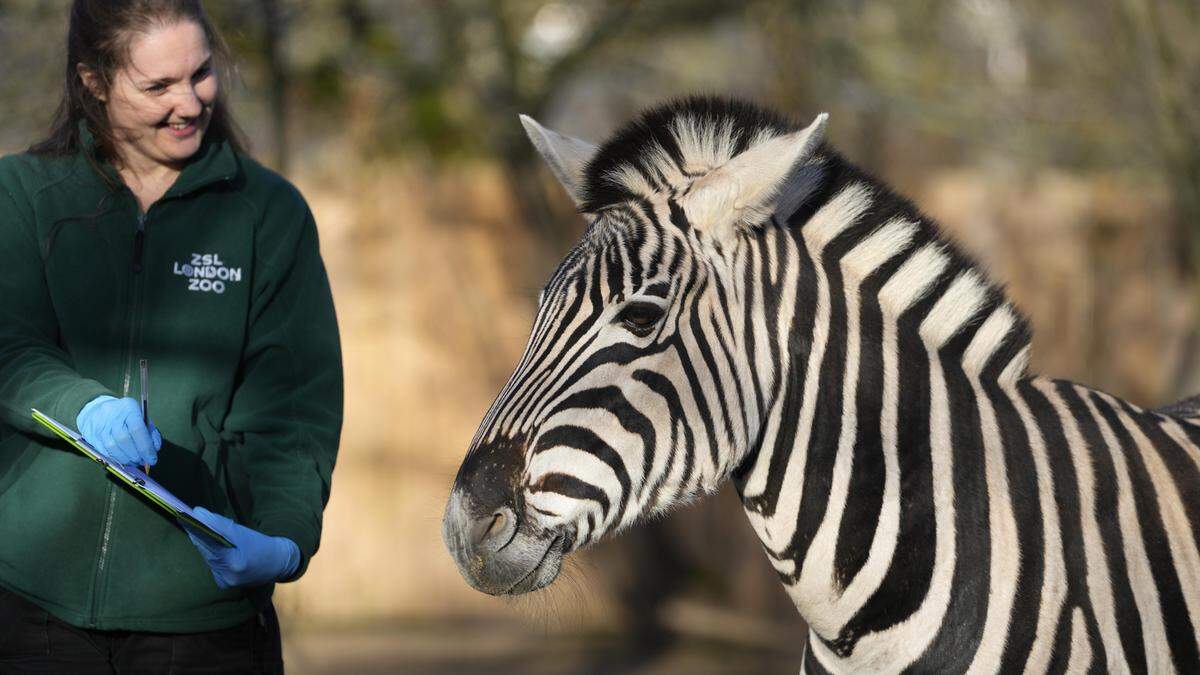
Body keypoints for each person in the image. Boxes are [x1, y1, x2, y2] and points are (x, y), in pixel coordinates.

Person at [0, 1, 343, 672]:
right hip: (28, 604)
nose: (188, 103)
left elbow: (294, 408)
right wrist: (84, 410)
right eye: (157, 86)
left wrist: (283, 541)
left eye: (201, 75)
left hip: (205, 621)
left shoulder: (268, 215)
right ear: (93, 82)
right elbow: (8, 345)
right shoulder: (22, 194)